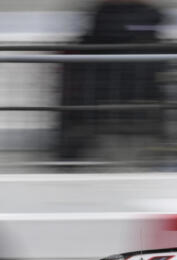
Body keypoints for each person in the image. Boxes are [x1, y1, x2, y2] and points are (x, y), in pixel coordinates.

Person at [57, 0, 165, 168]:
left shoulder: (101, 22)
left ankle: (67, 161)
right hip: (136, 102)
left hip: (96, 104)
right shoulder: (146, 25)